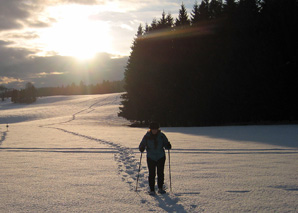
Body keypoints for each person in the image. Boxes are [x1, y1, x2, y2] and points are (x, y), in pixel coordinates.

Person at [139, 122, 172, 195]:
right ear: (150, 129)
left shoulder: (161, 136)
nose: (154, 130)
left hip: (161, 157)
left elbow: (166, 144)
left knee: (160, 173)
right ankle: (152, 189)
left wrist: (168, 146)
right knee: (152, 173)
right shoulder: (147, 136)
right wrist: (141, 148)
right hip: (151, 157)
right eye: (153, 129)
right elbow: (142, 144)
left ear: (158, 129)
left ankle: (160, 188)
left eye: (156, 129)